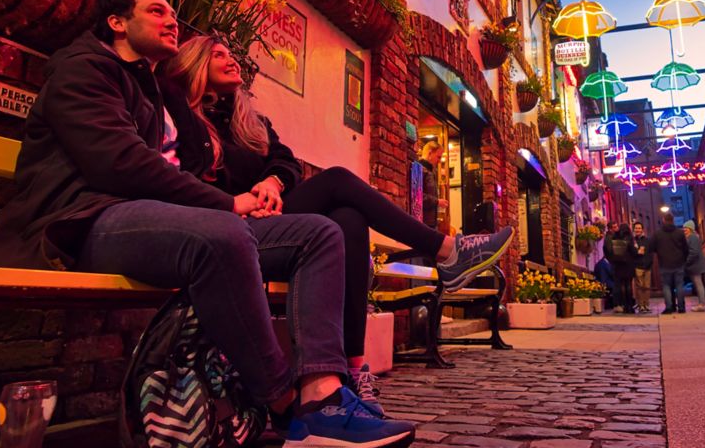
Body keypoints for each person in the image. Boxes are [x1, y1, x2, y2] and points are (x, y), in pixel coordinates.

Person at [0, 0, 415, 446]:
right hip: (82, 220)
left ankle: (322, 396)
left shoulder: (148, 85)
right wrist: (228, 203)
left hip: (153, 217)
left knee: (320, 233)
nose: (172, 21)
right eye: (156, 11)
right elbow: (118, 163)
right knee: (223, 235)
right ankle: (285, 405)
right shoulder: (85, 69)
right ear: (117, 22)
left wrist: (257, 188)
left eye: (173, 14)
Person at [163, 35, 514, 409]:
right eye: (218, 55)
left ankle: (351, 369)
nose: (231, 59)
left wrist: (272, 182)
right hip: (227, 225)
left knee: (348, 219)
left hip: (273, 220)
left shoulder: (251, 121)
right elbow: (184, 176)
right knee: (338, 181)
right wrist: (237, 203)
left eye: (231, 53)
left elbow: (285, 163)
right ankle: (446, 252)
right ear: (195, 64)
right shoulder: (181, 113)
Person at [649, 213, 689, 315]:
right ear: (673, 220)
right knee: (679, 285)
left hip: (664, 263)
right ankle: (681, 307)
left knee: (666, 285)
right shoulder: (679, 233)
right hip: (678, 263)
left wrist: (659, 252)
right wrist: (683, 259)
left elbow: (651, 247)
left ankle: (669, 307)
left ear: (663, 220)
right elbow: (685, 248)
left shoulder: (657, 234)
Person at [603, 223, 635, 313]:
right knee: (628, 285)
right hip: (628, 264)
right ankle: (630, 306)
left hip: (619, 264)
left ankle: (624, 306)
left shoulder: (616, 237)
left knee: (622, 286)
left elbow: (610, 250)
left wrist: (613, 260)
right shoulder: (629, 238)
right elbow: (633, 251)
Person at [683, 220, 705, 312]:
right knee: (698, 284)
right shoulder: (690, 237)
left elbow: (694, 252)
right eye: (684, 228)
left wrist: (686, 262)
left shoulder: (692, 237)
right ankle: (701, 303)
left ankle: (702, 304)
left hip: (696, 265)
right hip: (694, 265)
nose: (684, 230)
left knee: (698, 284)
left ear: (691, 229)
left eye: (686, 228)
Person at [631, 221, 654, 314]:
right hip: (638, 266)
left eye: (639, 228)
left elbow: (650, 253)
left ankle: (646, 305)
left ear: (642, 229)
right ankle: (641, 305)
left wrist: (650, 263)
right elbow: (631, 254)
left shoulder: (647, 240)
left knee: (647, 287)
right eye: (636, 228)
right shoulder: (632, 241)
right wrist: (637, 252)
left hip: (647, 266)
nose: (638, 230)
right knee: (640, 287)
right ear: (634, 229)